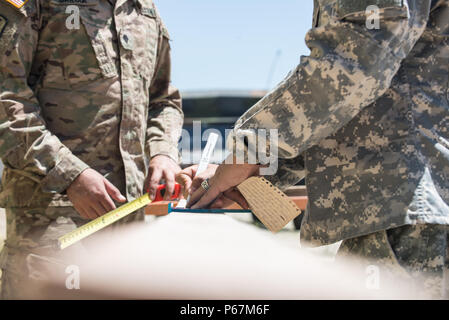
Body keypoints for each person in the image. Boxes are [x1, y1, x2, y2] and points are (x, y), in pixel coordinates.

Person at [177, 0, 449, 298]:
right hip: (405, 207)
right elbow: (348, 101)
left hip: (409, 208)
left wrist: (250, 150)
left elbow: (357, 62)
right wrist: (246, 170)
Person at [0, 0, 183, 299]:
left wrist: (163, 151)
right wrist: (69, 175)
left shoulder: (143, 9)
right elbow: (6, 100)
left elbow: (163, 100)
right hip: (52, 222)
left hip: (130, 224)